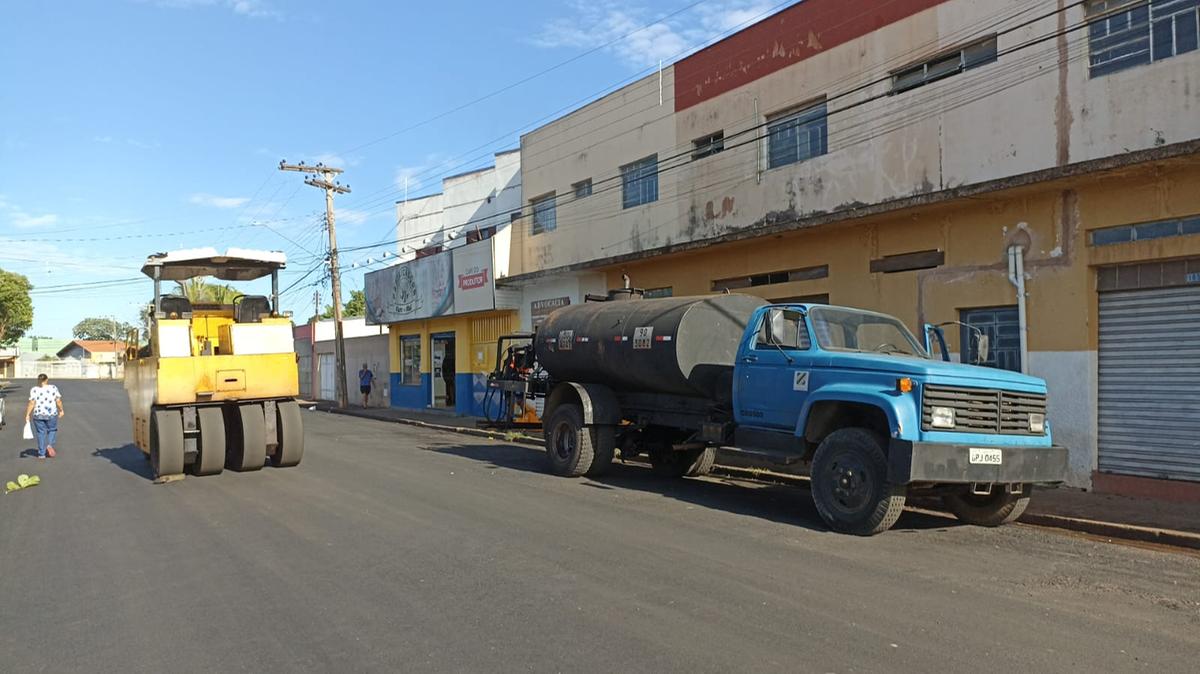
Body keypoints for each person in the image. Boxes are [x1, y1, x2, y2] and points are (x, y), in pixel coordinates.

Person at [25, 374, 64, 460]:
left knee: (40, 433)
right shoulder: (53, 388)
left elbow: (32, 403)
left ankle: (41, 454)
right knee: (52, 430)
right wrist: (61, 410)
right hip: (51, 414)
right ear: (47, 380)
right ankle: (49, 445)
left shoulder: (34, 389)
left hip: (38, 414)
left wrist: (27, 414)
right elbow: (58, 401)